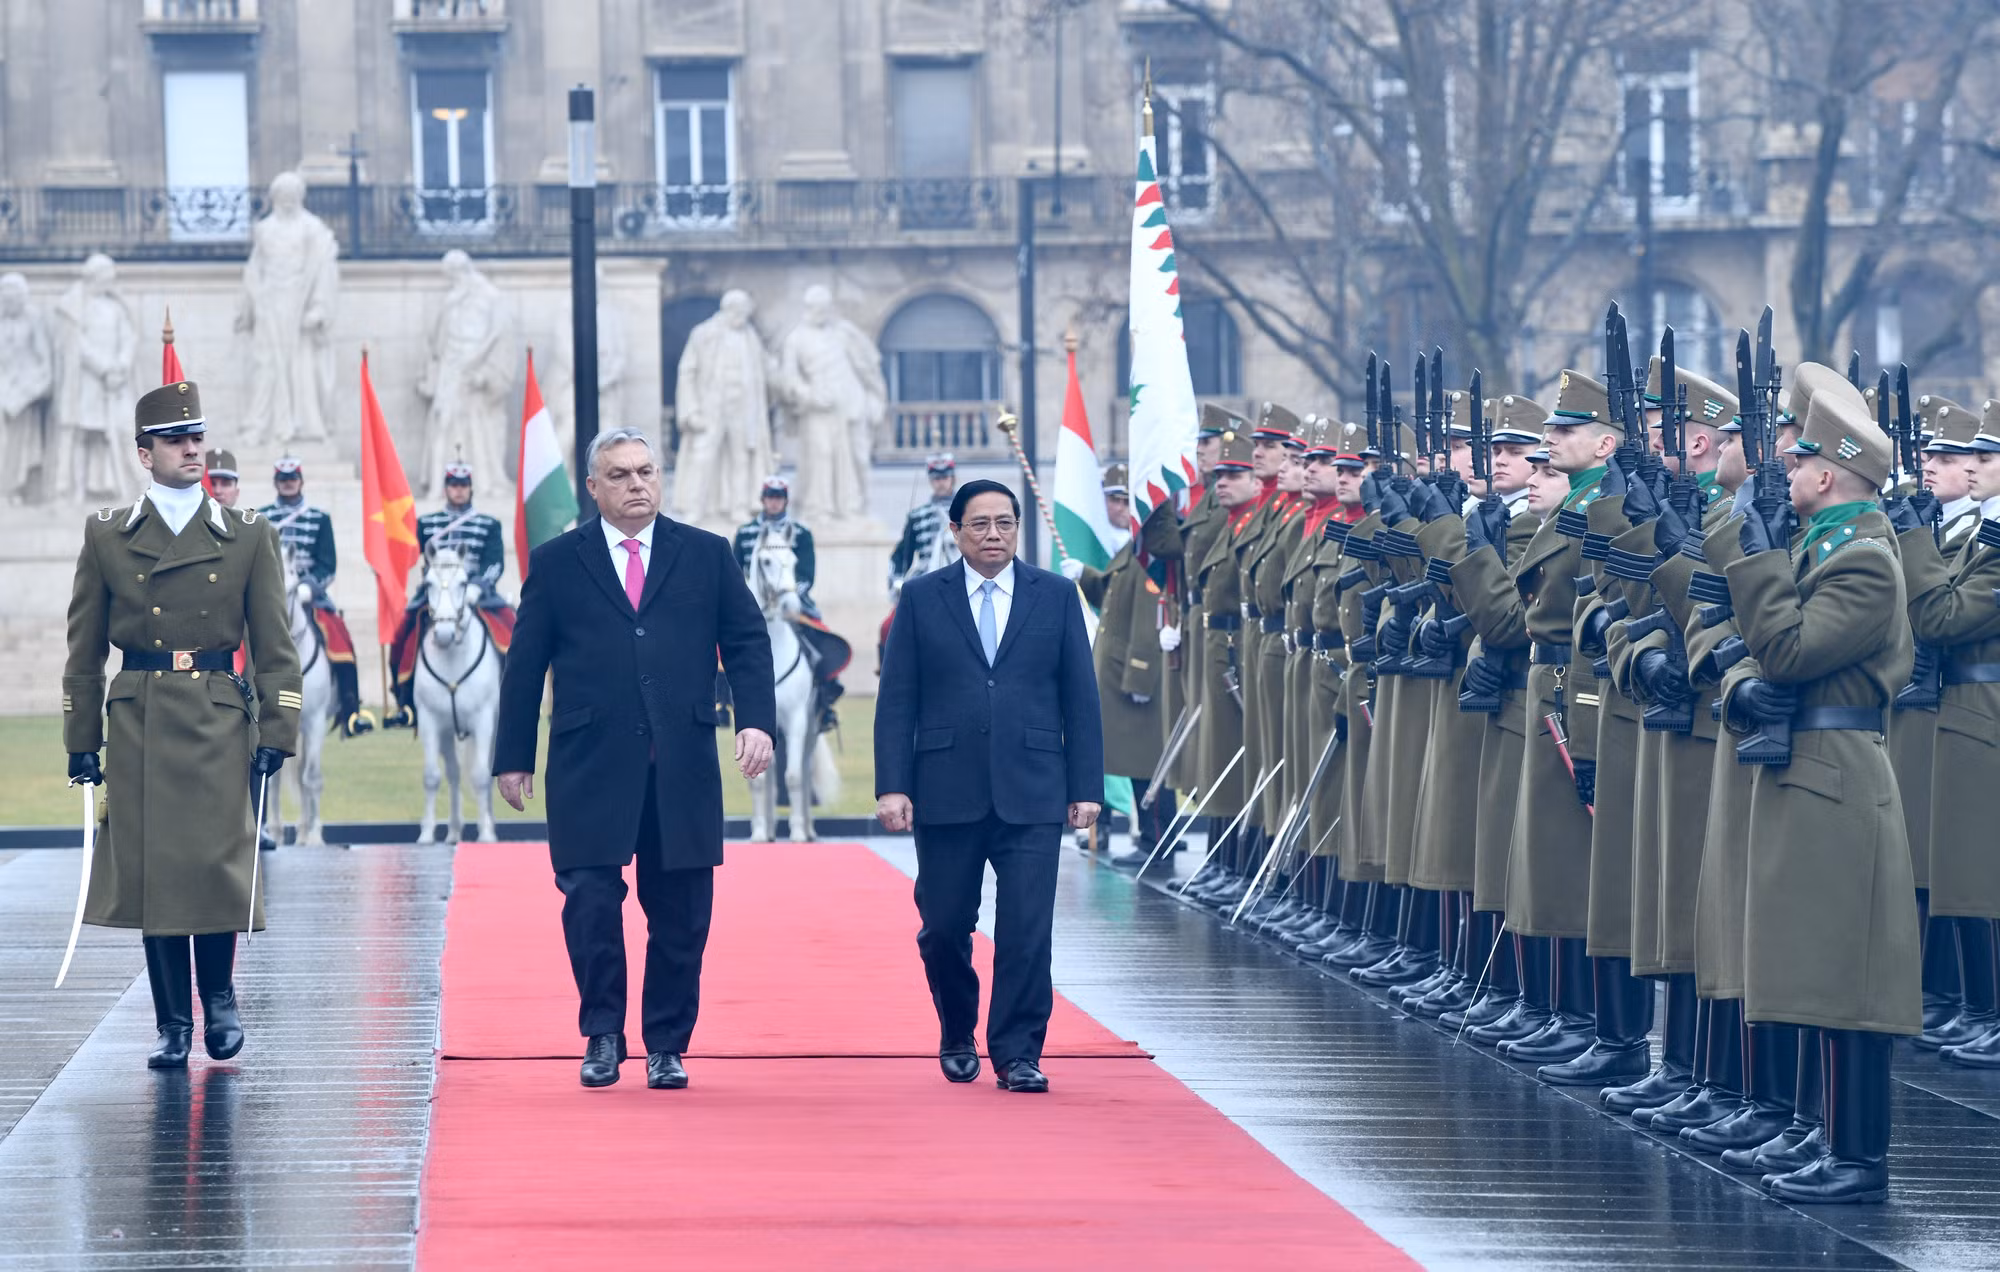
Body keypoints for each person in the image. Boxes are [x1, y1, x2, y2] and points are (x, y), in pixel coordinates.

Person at [493, 427, 776, 1091]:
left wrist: (756, 720)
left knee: (681, 913)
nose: (636, 484)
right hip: (588, 764)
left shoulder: (705, 555)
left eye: (646, 471)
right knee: (590, 903)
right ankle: (602, 1034)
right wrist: (514, 756)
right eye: (619, 475)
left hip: (682, 764)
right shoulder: (558, 562)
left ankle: (667, 1044)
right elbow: (526, 664)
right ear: (593, 488)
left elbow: (747, 641)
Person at [62, 380, 301, 1067]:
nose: (191, 448)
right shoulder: (108, 535)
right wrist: (82, 742)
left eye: (196, 436)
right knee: (156, 873)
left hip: (217, 712)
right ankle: (173, 1024)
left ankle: (219, 1000)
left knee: (216, 863)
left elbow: (275, 644)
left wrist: (278, 731)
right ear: (145, 454)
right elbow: (83, 648)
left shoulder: (249, 535)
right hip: (140, 714)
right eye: (175, 440)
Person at [1722, 387, 1919, 1204]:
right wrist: (1738, 691)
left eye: (1802, 457)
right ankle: (1824, 1135)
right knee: (1812, 967)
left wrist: (1762, 565)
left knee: (1849, 976)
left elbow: (1788, 651)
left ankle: (1858, 1156)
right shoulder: (1825, 546)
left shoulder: (1864, 558)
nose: (1790, 467)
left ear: (1833, 476)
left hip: (1836, 768)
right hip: (1808, 763)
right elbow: (1749, 650)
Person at [875, 478, 1104, 1093]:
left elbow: (1081, 697)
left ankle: (1018, 1052)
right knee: (945, 925)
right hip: (946, 790)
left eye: (1005, 522)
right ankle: (957, 1030)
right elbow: (897, 700)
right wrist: (892, 785)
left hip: (1033, 790)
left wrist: (1086, 785)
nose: (994, 534)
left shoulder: (1054, 596)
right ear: (955, 531)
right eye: (980, 524)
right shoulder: (922, 598)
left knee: (1028, 927)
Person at [386, 460, 516, 728]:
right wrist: (386, 564)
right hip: (434, 596)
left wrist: (477, 587)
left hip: (476, 595)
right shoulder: (428, 523)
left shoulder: (487, 524)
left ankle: (513, 696)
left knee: (513, 631)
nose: (458, 491)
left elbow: (494, 563)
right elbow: (406, 554)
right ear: (446, 488)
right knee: (401, 635)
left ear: (470, 488)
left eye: (463, 486)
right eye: (454, 486)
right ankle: (404, 700)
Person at [261, 457, 372, 737]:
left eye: (292, 478)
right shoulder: (261, 518)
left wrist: (310, 585)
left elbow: (327, 564)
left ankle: (350, 711)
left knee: (341, 638)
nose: (288, 483)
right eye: (283, 479)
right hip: (269, 595)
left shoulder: (318, 518)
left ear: (300, 481)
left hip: (310, 596)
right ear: (276, 482)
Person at [734, 475, 847, 732]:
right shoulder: (746, 533)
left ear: (785, 501)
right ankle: (720, 699)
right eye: (770, 498)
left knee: (820, 636)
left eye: (779, 498)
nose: (774, 503)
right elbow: (735, 570)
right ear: (763, 500)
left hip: (792, 601)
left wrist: (788, 596)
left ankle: (827, 696)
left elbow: (806, 573)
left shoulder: (802, 533)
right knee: (720, 645)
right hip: (754, 605)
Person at [889, 452, 960, 595]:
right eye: (936, 479)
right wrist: (897, 580)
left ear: (952, 478)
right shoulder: (918, 516)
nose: (941, 483)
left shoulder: (966, 512)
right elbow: (903, 554)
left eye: (944, 477)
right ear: (931, 481)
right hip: (926, 576)